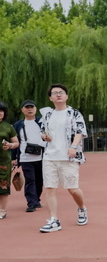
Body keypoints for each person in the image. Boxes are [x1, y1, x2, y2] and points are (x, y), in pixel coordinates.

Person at [38, 84, 89, 233]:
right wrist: (45, 136)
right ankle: (54, 220)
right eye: (55, 93)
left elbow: (80, 131)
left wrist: (73, 147)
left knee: (72, 189)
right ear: (51, 98)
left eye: (61, 92)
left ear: (66, 96)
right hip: (49, 156)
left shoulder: (74, 113)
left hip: (68, 156)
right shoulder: (47, 115)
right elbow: (43, 132)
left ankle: (82, 208)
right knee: (49, 188)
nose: (58, 95)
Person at [12, 100, 44, 212]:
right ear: (22, 109)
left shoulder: (42, 122)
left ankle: (37, 199)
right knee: (30, 180)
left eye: (32, 107)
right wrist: (13, 158)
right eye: (27, 107)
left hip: (42, 157)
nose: (30, 109)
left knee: (39, 180)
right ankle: (31, 203)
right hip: (25, 158)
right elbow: (15, 142)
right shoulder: (17, 125)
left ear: (35, 109)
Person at [0, 101, 21, 220]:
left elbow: (16, 143)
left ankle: (2, 210)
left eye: (1, 111)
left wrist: (10, 145)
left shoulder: (8, 127)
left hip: (3, 162)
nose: (0, 113)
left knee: (3, 186)